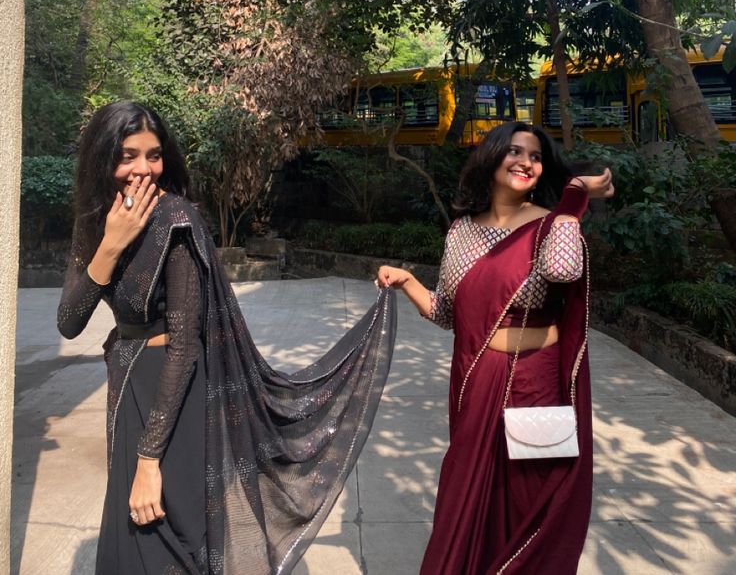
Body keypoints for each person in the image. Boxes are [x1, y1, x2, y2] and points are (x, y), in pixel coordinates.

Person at [58, 101, 396, 575]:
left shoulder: (176, 220)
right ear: (101, 158)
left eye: (153, 155)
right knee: (132, 536)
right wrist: (110, 244)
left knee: (168, 536)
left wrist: (149, 459)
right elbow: (69, 321)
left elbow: (184, 345)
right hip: (127, 385)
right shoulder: (95, 220)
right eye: (127, 155)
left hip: (173, 395)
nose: (143, 169)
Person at [376, 121, 614, 574]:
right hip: (477, 381)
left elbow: (563, 272)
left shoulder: (550, 225)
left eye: (536, 156)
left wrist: (572, 200)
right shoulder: (461, 232)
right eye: (516, 151)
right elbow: (448, 313)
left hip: (536, 382)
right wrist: (407, 281)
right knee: (470, 496)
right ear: (491, 156)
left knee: (531, 498)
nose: (526, 162)